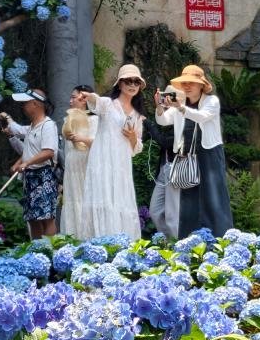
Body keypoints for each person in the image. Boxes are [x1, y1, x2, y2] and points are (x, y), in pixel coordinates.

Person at [156, 64, 234, 239]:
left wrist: (180, 108)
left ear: (202, 85)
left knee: (214, 199)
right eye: (184, 83)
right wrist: (160, 107)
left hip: (209, 156)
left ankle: (221, 241)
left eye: (192, 82)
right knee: (188, 202)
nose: (187, 86)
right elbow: (162, 121)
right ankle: (190, 242)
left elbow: (202, 117)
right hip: (186, 157)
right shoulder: (180, 104)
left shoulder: (211, 101)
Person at [79, 65, 145, 240]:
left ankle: (122, 244)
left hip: (121, 163)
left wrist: (132, 136)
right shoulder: (108, 104)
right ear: (120, 84)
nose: (132, 85)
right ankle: (98, 242)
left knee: (121, 199)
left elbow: (137, 147)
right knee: (103, 197)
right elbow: (96, 102)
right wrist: (88, 95)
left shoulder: (138, 115)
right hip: (102, 160)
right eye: (128, 81)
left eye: (136, 82)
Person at [0, 89, 59, 239]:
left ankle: (50, 250)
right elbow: (27, 149)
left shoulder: (48, 125)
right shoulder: (32, 127)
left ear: (36, 104)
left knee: (46, 217)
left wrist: (26, 163)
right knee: (32, 217)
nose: (23, 107)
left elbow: (48, 152)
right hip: (30, 176)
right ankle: (36, 249)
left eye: (25, 103)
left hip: (44, 175)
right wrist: (20, 162)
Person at [60, 84, 99, 237]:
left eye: (73, 97)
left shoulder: (95, 120)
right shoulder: (68, 118)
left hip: (86, 167)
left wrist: (81, 138)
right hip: (72, 166)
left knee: (84, 201)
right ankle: (71, 238)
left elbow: (98, 143)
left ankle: (87, 238)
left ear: (84, 99)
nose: (70, 101)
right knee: (71, 201)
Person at [147, 85, 182, 238]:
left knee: (172, 213)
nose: (167, 99)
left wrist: (148, 125)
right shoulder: (167, 118)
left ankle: (176, 245)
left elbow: (164, 142)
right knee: (155, 210)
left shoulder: (183, 118)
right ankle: (168, 240)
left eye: (171, 96)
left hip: (176, 167)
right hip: (164, 168)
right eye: (165, 96)